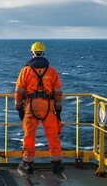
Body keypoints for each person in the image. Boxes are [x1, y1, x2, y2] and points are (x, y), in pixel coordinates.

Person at [15, 42, 64, 174]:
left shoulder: (25, 71)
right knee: (52, 135)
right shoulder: (52, 71)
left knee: (29, 135)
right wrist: (58, 110)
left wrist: (19, 108)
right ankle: (56, 163)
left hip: (31, 106)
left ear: (32, 53)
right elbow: (58, 92)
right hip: (48, 106)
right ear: (43, 53)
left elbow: (19, 91)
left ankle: (27, 164)